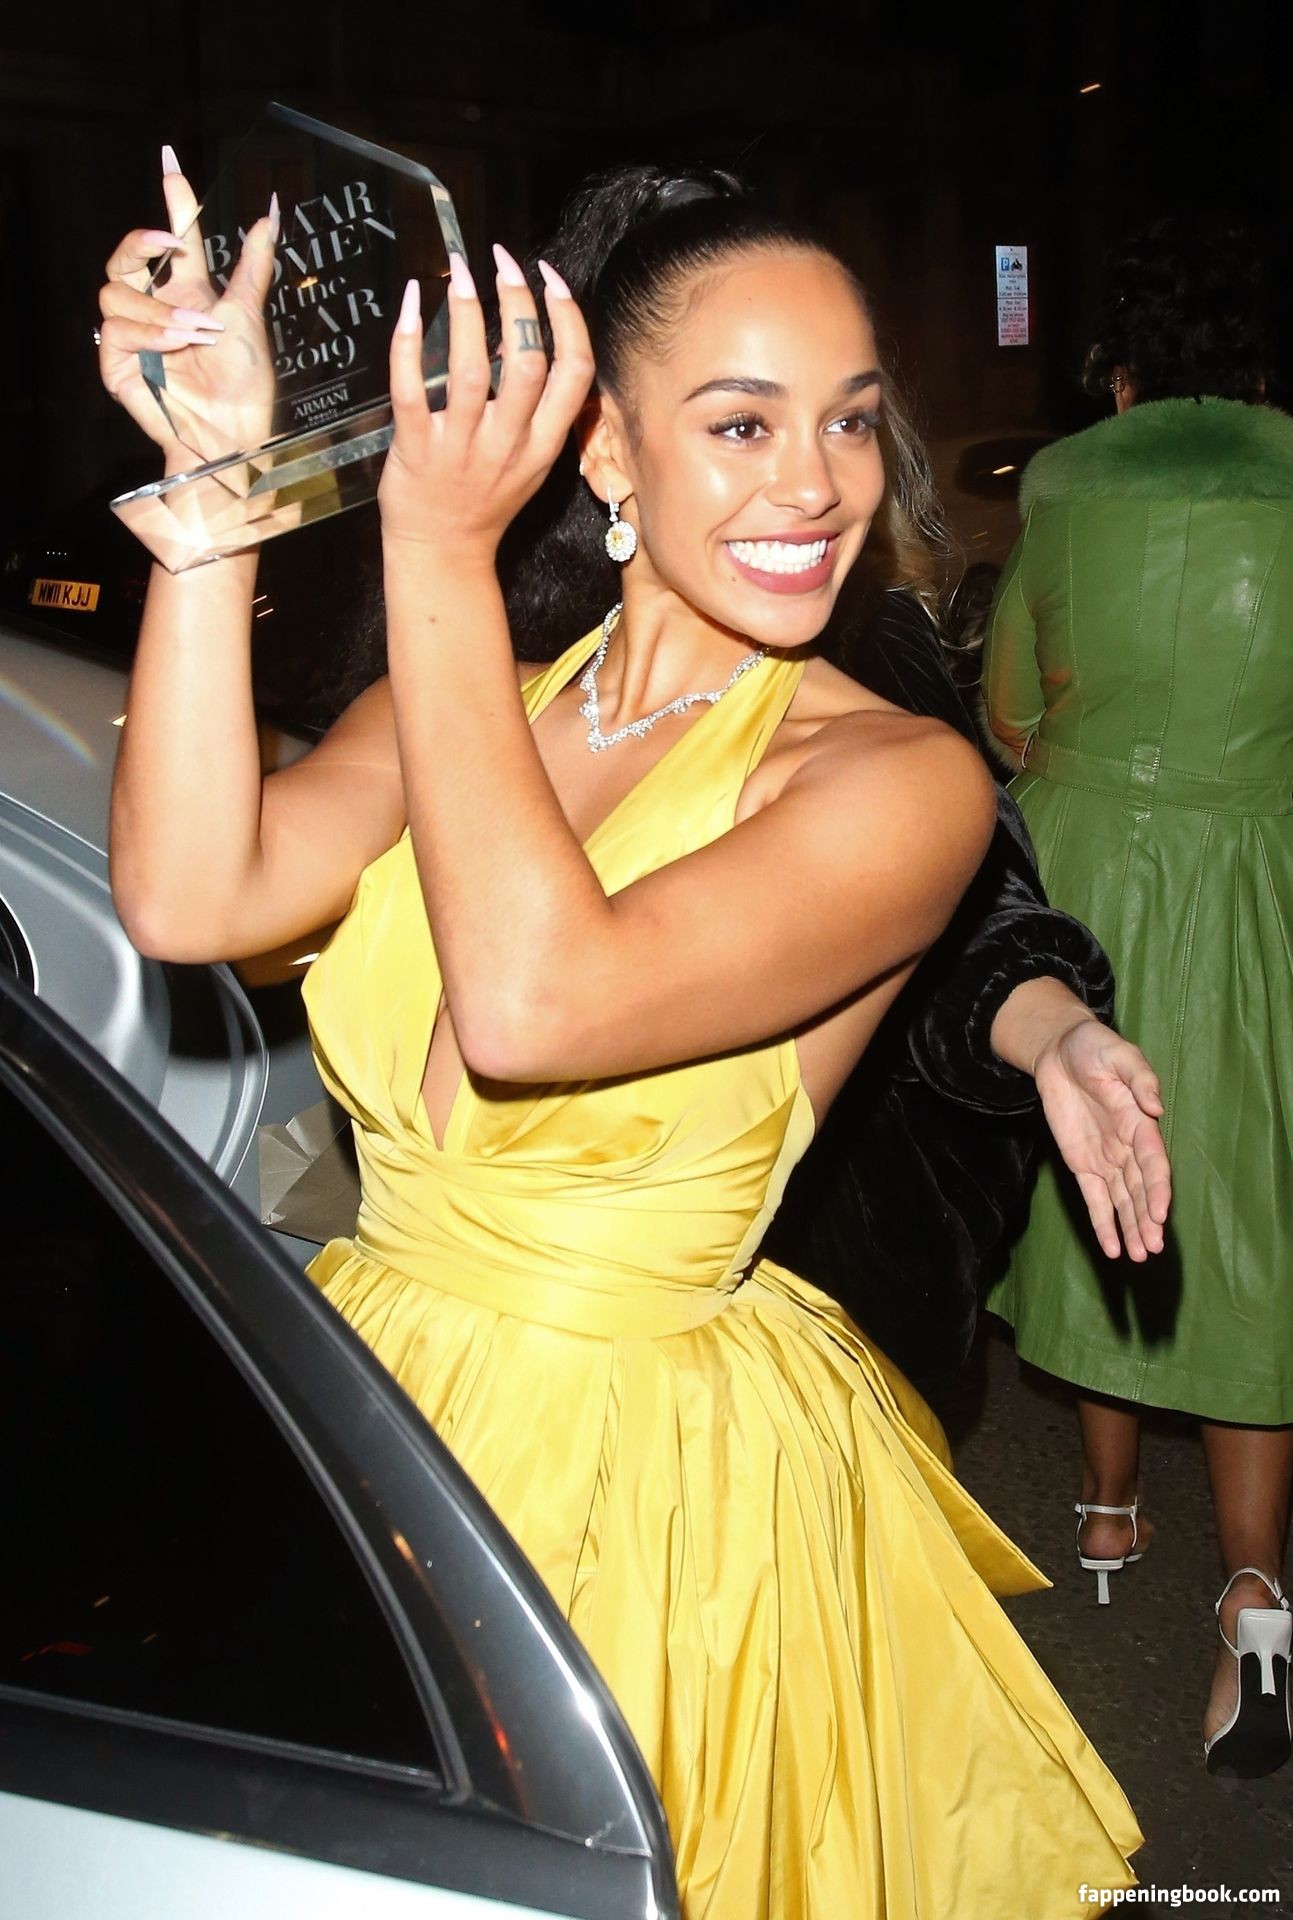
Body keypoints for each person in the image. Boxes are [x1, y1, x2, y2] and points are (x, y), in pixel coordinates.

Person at [99, 153, 1143, 1914]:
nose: (816, 483)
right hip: (375, 1407)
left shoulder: (892, 779)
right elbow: (196, 897)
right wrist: (218, 490)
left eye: (848, 420)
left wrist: (434, 543)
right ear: (603, 456)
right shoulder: (476, 712)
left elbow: (533, 1005)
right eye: (740, 425)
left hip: (647, 1486)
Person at [984, 215, 1293, 1780]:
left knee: (1094, 1170)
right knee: (1250, 1207)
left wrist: (1087, 759)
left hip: (1090, 864)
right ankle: (1255, 1601)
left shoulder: (1061, 481)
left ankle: (1106, 1510)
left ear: (1117, 367)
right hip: (1265, 873)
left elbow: (1004, 705)